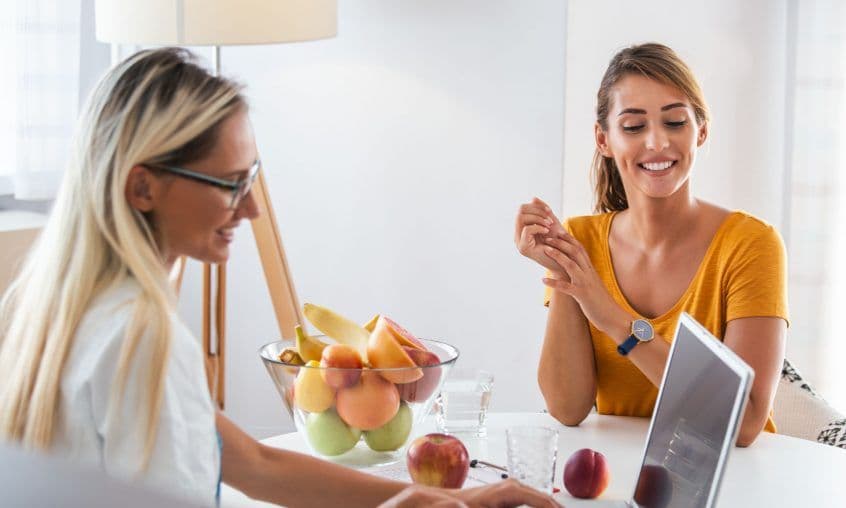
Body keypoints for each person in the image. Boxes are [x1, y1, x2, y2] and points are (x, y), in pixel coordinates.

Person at [0, 48, 560, 508]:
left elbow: (251, 461)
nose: (250, 211)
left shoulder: (48, 308)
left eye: (252, 179)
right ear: (143, 188)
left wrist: (430, 498)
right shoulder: (140, 341)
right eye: (229, 185)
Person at [514, 43, 788, 448]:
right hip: (620, 475)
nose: (658, 142)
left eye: (675, 121)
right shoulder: (581, 240)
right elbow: (567, 407)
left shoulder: (750, 245)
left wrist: (612, 318)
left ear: (702, 131)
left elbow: (743, 424)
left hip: (735, 481)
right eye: (634, 126)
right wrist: (562, 266)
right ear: (603, 139)